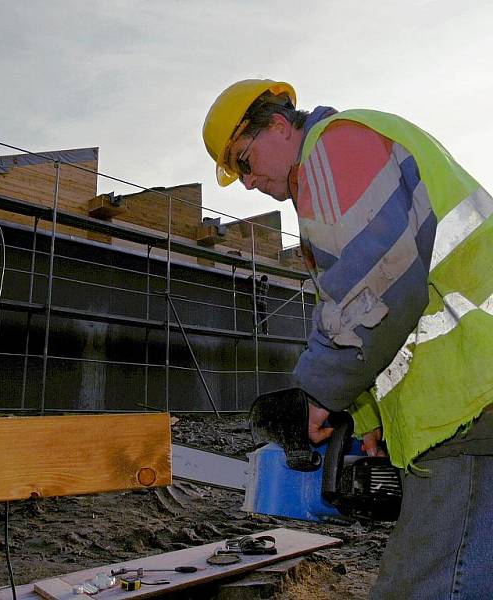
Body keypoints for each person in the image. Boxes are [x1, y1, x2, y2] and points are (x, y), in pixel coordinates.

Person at [203, 80, 493, 598]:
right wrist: (371, 418)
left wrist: (316, 394)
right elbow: (392, 302)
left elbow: (376, 280)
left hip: (471, 403)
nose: (247, 183)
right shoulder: (345, 157)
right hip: (470, 396)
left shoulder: (334, 147)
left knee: (427, 585)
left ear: (275, 125)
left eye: (244, 162)